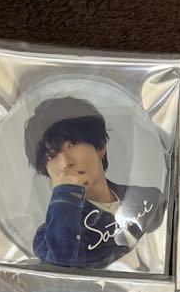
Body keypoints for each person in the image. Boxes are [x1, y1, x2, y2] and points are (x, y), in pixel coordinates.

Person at [25, 97, 165, 268]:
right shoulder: (47, 238)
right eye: (51, 156)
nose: (65, 162)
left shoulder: (149, 198)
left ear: (100, 147)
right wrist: (67, 195)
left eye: (72, 144)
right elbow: (63, 267)